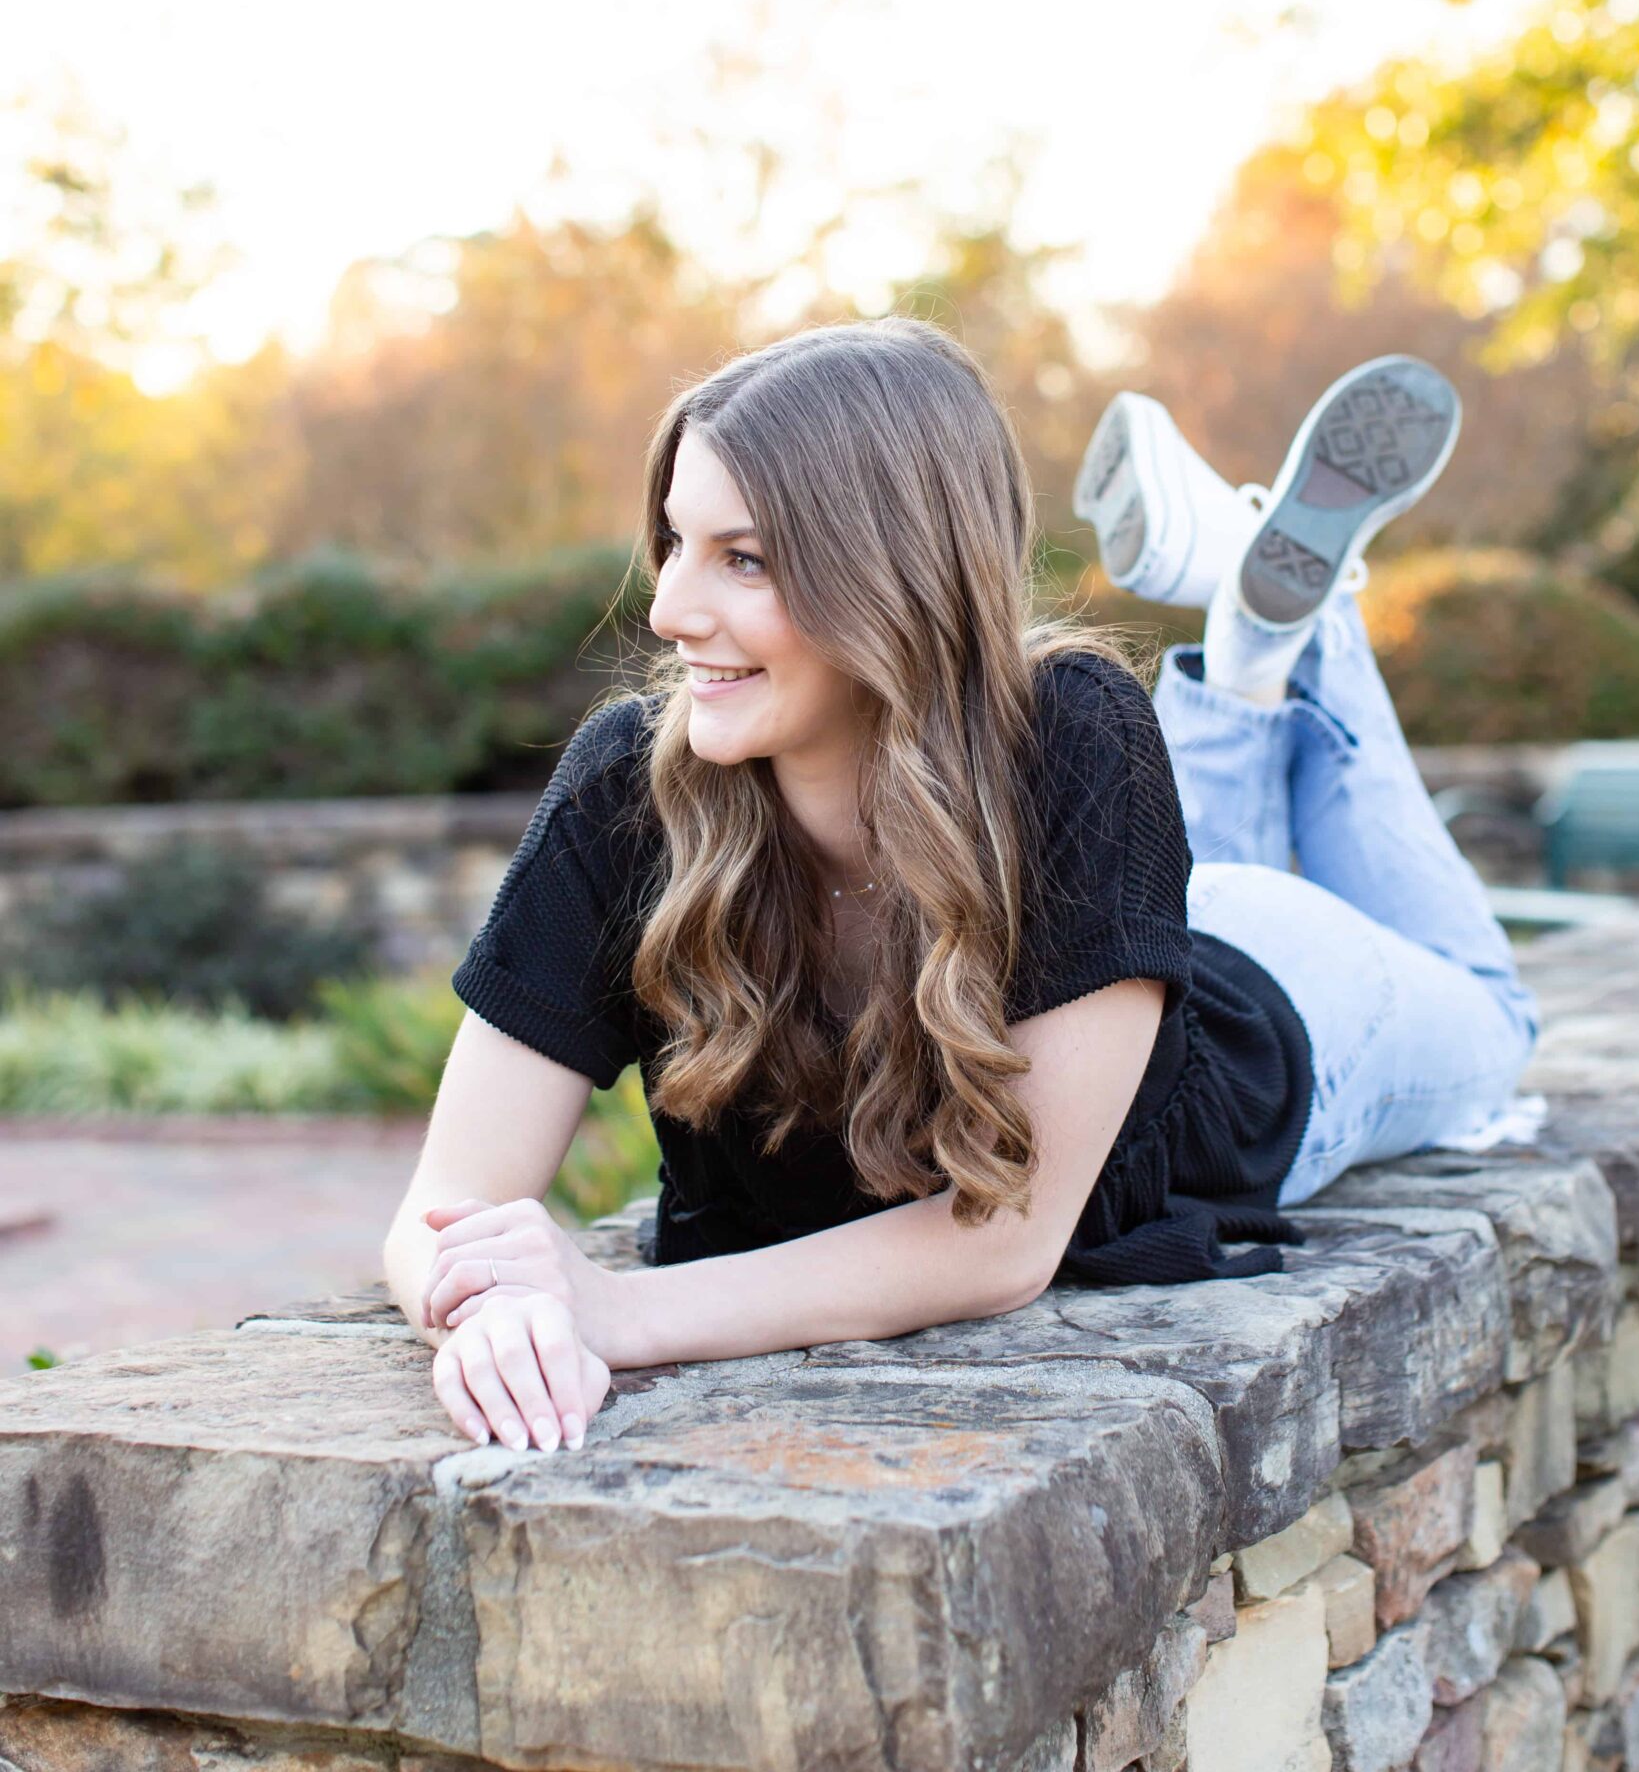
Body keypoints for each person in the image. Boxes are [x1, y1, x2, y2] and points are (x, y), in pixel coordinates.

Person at [381, 321, 1538, 1454]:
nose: (672, 611)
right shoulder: (630, 792)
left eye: (744, 558)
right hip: (1119, 938)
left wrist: (617, 1310)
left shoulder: (1076, 735)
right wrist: (494, 1308)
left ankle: (1296, 627)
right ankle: (1246, 635)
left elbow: (1003, 1247)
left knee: (1498, 1018)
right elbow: (443, 1209)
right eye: (675, 544)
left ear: (892, 572)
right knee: (1199, 863)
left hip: (1277, 1010)